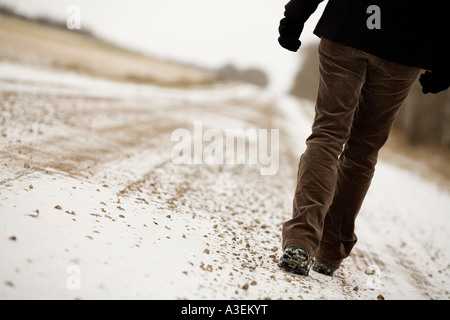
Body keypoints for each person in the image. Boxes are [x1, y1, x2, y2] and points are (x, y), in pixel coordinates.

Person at [277, 0, 449, 276]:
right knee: (363, 151)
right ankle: (331, 251)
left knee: (327, 135)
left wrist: (294, 17)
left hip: (347, 30)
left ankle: (301, 241)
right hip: (403, 48)